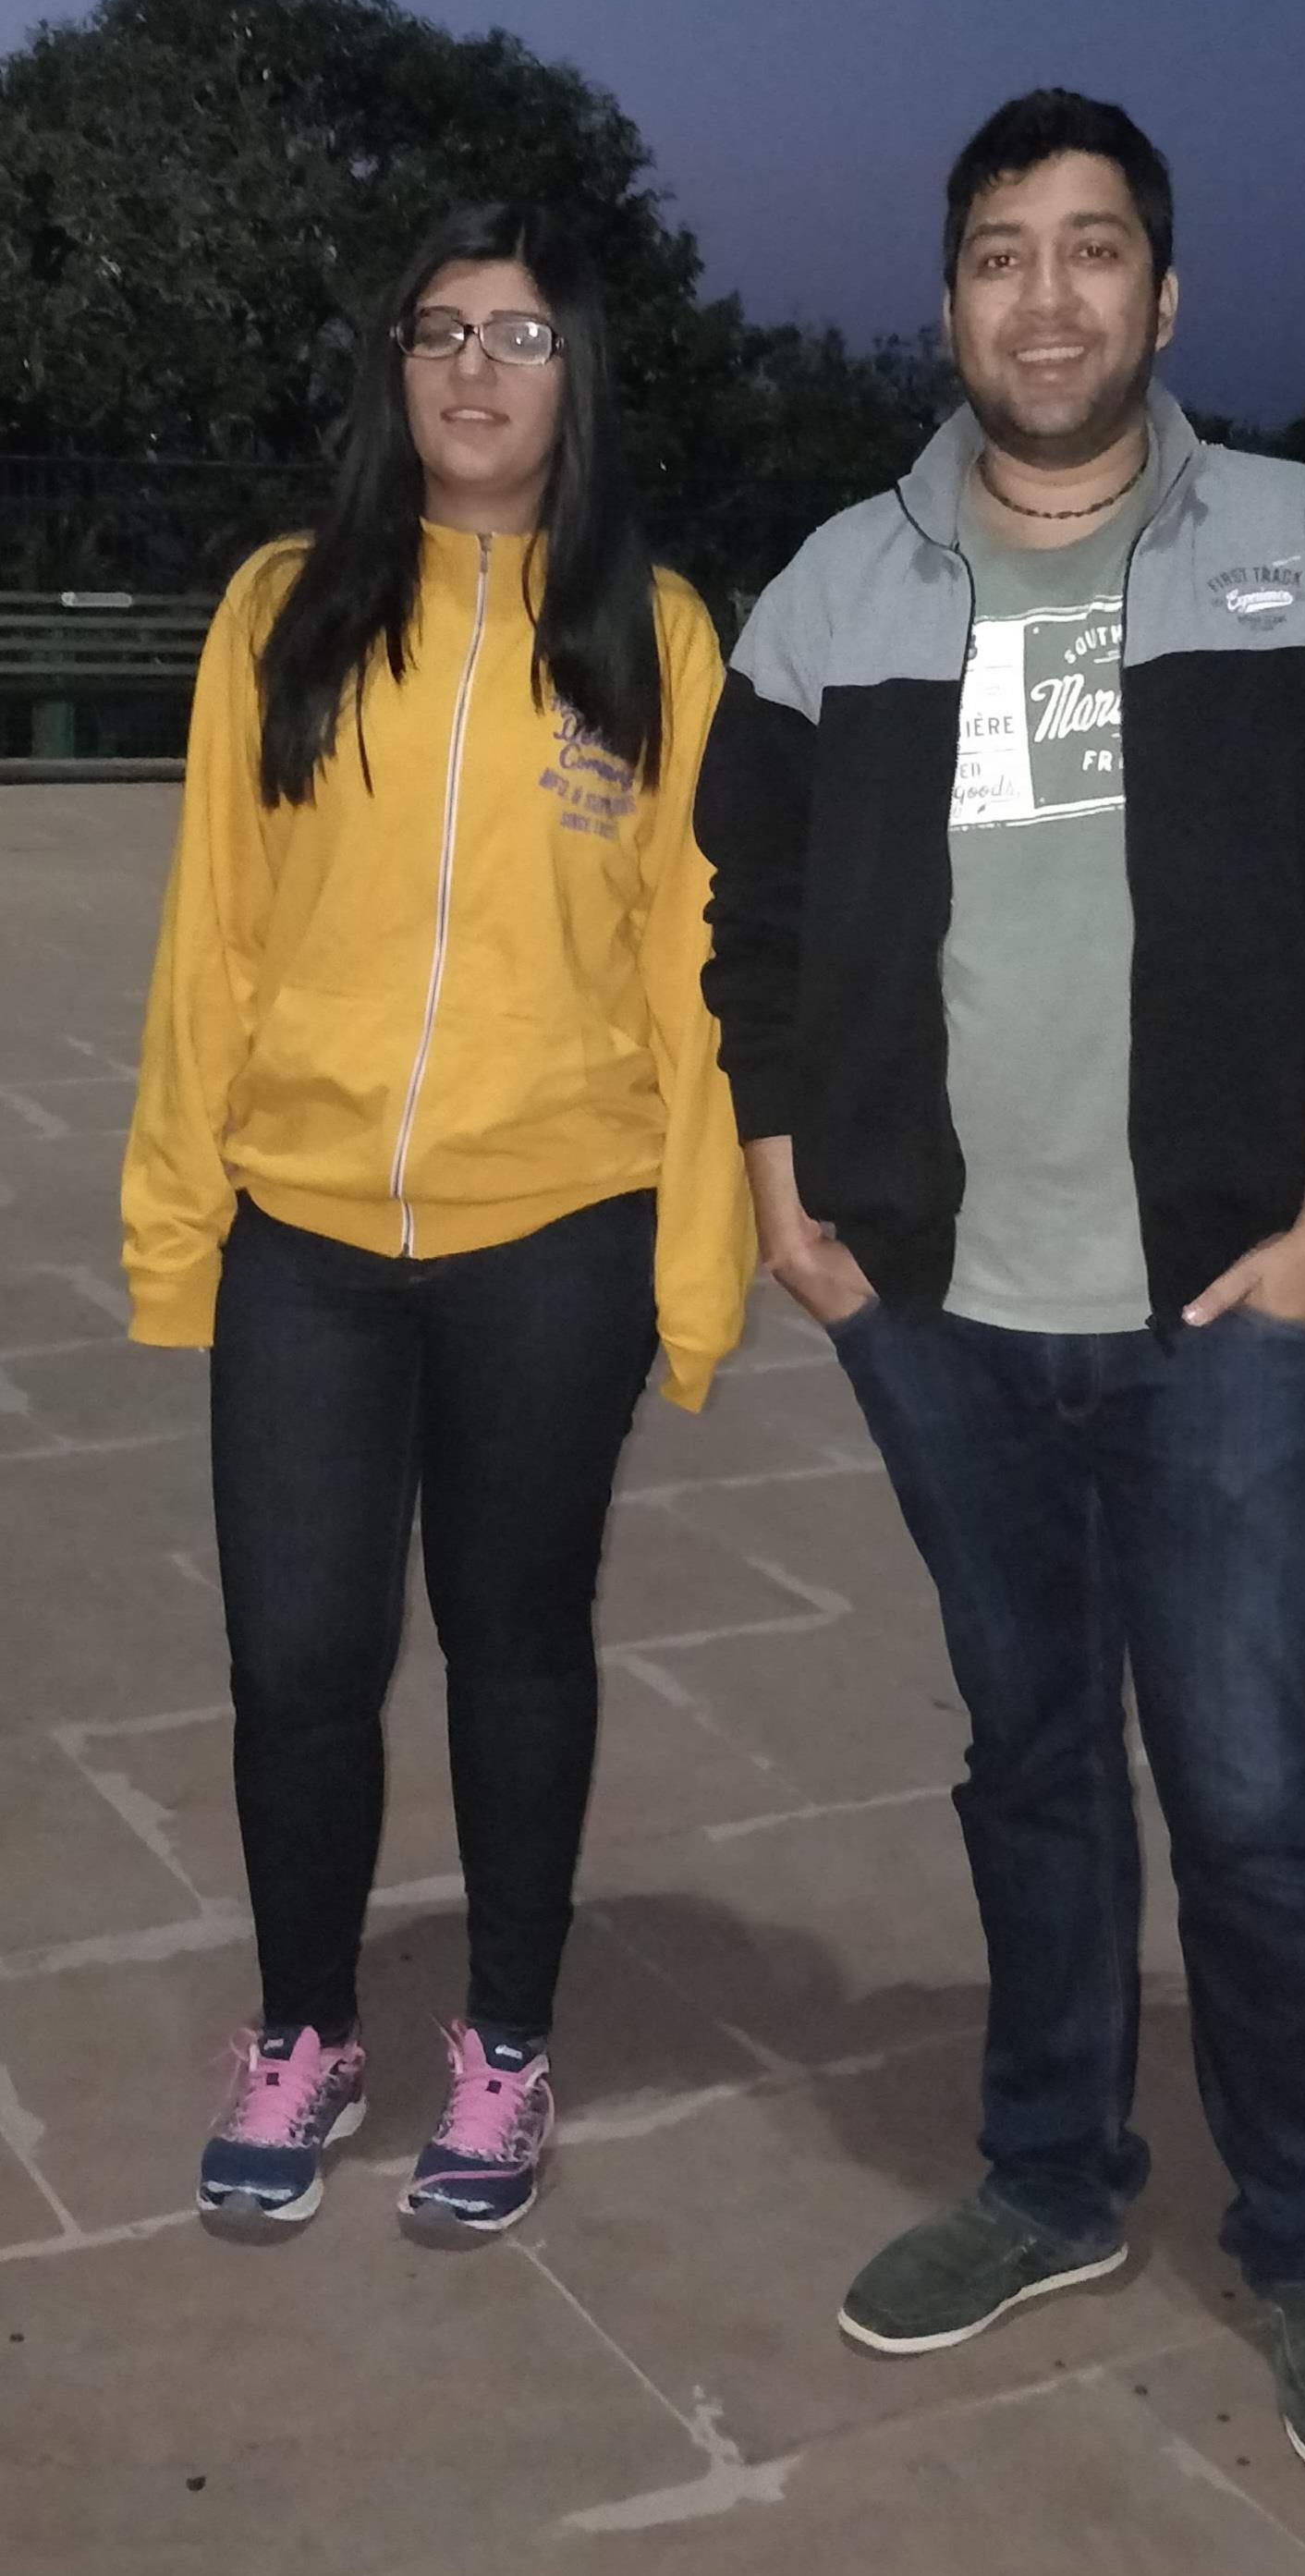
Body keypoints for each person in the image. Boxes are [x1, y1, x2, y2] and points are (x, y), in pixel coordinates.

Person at [697, 91, 1305, 2473]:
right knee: (1028, 1759)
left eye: (1093, 248)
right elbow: (752, 919)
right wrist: (785, 1196)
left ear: (1165, 290)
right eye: (1002, 255)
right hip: (935, 1299)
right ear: (948, 303)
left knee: (1246, 1785)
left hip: (1219, 1292)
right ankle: (1048, 2176)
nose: (1048, 298)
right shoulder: (838, 590)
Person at [121, 201, 752, 2245]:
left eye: (523, 333)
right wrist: (176, 1222)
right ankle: (305, 2031)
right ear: (394, 371)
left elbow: (693, 967)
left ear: (581, 377)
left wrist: (695, 1267)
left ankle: (505, 2040)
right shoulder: (284, 607)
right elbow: (212, 937)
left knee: (515, 1640)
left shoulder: (653, 635)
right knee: (297, 1658)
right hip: (304, 1235)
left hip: (554, 1226)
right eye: (439, 331)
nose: (477, 368)